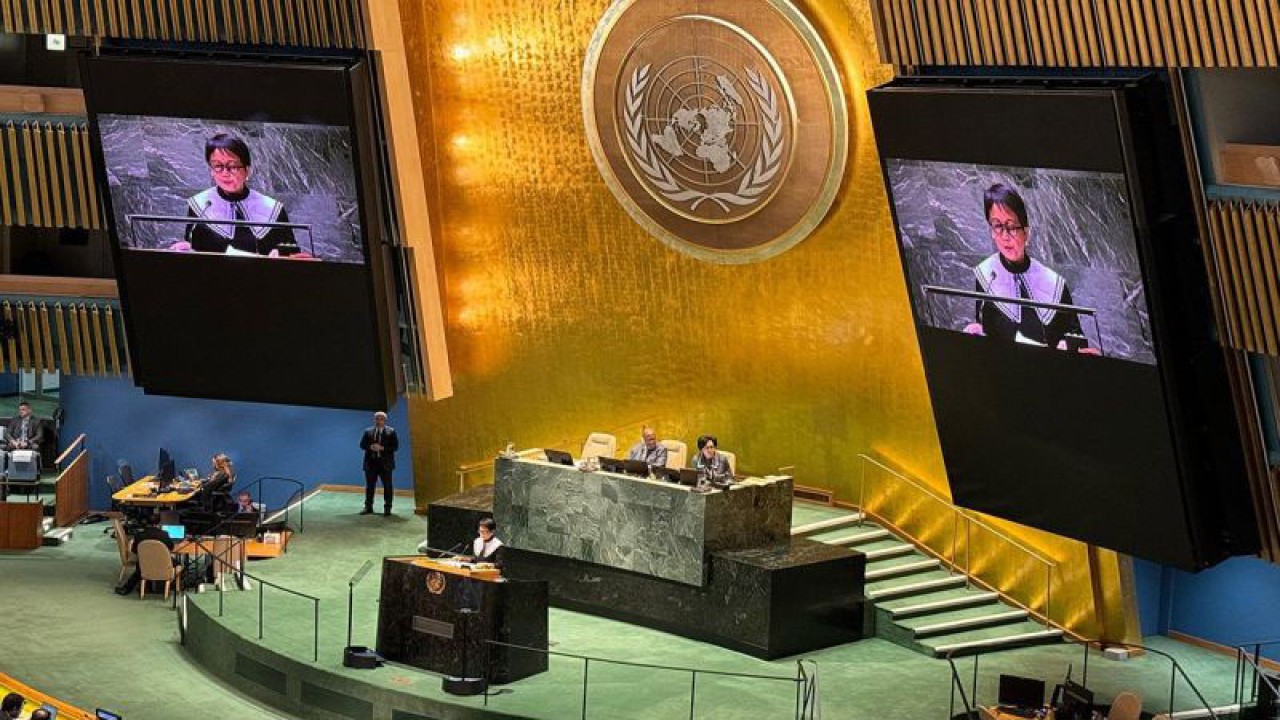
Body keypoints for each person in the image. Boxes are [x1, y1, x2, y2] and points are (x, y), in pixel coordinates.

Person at [962, 183, 1100, 354]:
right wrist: (976, 331)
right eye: (998, 226)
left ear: (1026, 233)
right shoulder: (987, 275)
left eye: (1011, 227)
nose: (1005, 237)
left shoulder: (1054, 283)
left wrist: (1067, 345)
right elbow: (984, 327)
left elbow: (1076, 335)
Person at [172, 133, 300, 257]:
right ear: (211, 171)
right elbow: (192, 246)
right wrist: (184, 248)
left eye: (232, 166)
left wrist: (280, 254)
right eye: (218, 166)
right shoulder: (201, 205)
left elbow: (291, 251)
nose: (225, 173)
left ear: (247, 170)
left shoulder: (272, 209)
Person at [360, 411, 399, 516]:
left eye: (381, 419)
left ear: (385, 420)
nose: (379, 421)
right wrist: (370, 447)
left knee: (387, 486)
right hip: (371, 464)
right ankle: (368, 507)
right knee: (370, 486)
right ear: (374, 420)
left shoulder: (391, 432)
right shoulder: (368, 431)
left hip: (385, 465)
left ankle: (387, 508)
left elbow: (395, 447)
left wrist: (382, 448)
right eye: (377, 419)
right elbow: (362, 445)